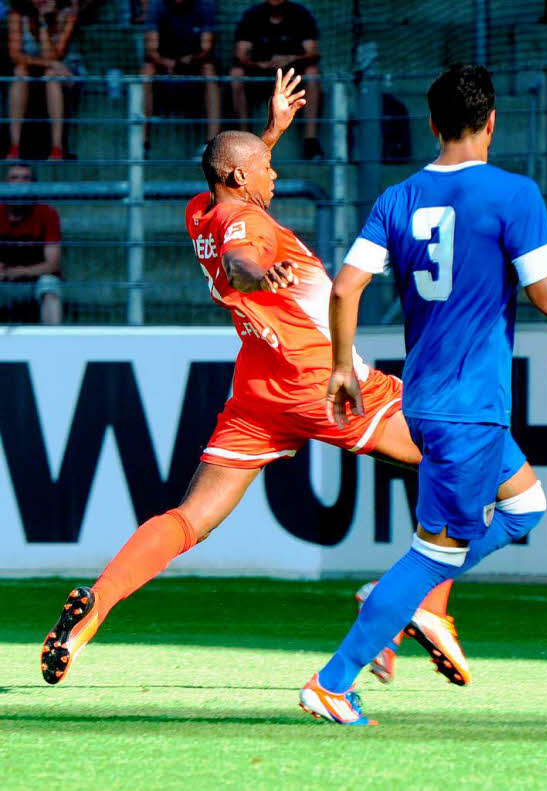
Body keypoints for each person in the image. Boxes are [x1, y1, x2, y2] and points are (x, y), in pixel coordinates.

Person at [39, 70, 466, 690]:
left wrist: (267, 133)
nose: (274, 173)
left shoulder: (202, 215)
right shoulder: (249, 226)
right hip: (323, 380)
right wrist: (252, 274)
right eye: (265, 167)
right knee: (458, 458)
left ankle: (96, 606)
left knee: (190, 518)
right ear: (239, 179)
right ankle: (424, 609)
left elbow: (230, 201)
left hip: (259, 393)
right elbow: (245, 253)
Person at [299, 63, 547, 726]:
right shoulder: (513, 193)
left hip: (422, 396)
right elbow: (546, 295)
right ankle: (334, 679)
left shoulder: (396, 198)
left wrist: (344, 365)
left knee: (526, 504)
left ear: (431, 125)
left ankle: (407, 591)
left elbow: (343, 289)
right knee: (436, 552)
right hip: (469, 406)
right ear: (491, 122)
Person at [229, 0, 323, 161]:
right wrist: (260, 64)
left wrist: (290, 59)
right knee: (235, 73)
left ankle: (310, 141)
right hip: (258, 77)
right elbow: (239, 55)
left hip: (292, 78)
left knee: (313, 72)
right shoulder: (252, 16)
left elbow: (313, 53)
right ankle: (244, 139)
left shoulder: (301, 15)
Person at [141, 0, 221, 158]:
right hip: (164, 67)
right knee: (146, 71)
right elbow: (151, 49)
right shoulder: (157, 5)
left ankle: (211, 143)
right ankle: (143, 143)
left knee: (210, 71)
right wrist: (167, 62)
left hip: (194, 65)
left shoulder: (205, 5)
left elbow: (207, 48)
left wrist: (190, 60)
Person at [7, 0, 82, 161]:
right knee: (19, 72)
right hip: (35, 66)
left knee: (51, 76)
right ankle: (15, 147)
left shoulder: (68, 15)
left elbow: (55, 55)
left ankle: (57, 148)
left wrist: (42, 24)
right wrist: (51, 63)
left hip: (66, 70)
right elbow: (15, 55)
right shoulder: (17, 14)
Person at [0, 162, 62, 323]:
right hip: (3, 277)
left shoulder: (47, 214)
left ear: (34, 185)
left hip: (37, 278)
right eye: (14, 178)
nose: (19, 183)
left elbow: (52, 265)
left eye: (25, 178)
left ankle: (54, 343)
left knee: (50, 287)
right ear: (5, 184)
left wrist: (16, 272)